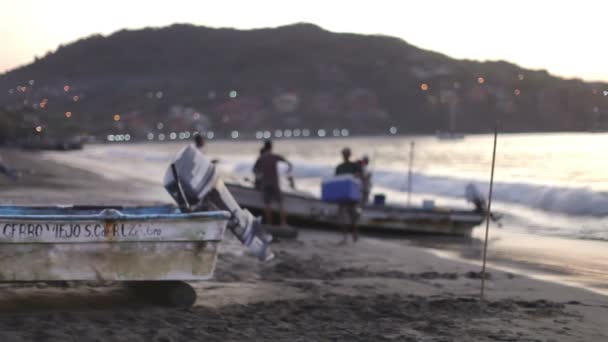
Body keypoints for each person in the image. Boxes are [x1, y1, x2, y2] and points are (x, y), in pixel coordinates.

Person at [253, 140, 293, 226]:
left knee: (267, 205)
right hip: (274, 183)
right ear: (271, 147)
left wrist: (258, 179)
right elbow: (289, 164)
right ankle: (283, 223)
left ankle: (269, 224)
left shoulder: (261, 158)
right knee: (280, 204)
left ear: (265, 146)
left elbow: (255, 170)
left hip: (265, 183)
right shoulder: (274, 156)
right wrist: (288, 171)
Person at [335, 147, 362, 244]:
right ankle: (344, 237)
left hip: (351, 194)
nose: (345, 155)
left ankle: (355, 233)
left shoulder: (354, 166)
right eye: (344, 154)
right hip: (342, 194)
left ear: (349, 155)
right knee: (341, 216)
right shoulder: (339, 167)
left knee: (352, 215)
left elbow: (358, 177)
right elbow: (336, 180)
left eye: (347, 154)